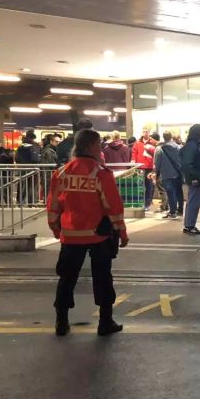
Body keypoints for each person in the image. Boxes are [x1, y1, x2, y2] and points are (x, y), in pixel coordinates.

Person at [47, 129, 129, 337]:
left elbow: (53, 206)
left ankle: (61, 321)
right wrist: (122, 231)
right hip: (98, 235)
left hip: (70, 235)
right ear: (92, 146)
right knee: (102, 278)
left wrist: (56, 229)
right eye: (99, 144)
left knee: (67, 278)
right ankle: (105, 321)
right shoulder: (100, 173)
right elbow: (113, 206)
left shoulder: (62, 173)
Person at [179, 124, 200, 235]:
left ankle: (189, 225)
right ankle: (190, 225)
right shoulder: (193, 146)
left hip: (194, 177)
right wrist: (195, 177)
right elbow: (188, 164)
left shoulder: (192, 144)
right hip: (195, 178)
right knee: (193, 202)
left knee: (193, 201)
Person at [153, 131, 183, 220]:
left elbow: (157, 163)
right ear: (171, 137)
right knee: (178, 191)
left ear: (163, 137)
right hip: (178, 173)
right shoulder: (178, 147)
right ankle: (180, 209)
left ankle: (172, 212)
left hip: (166, 174)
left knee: (171, 193)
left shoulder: (159, 149)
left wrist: (156, 171)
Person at [131, 127, 158, 211]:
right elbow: (134, 153)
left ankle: (147, 204)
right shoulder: (137, 143)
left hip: (149, 167)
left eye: (146, 132)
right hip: (140, 167)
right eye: (144, 131)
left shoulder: (153, 143)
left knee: (149, 186)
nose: (145, 133)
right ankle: (140, 203)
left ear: (149, 133)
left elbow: (156, 153)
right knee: (140, 186)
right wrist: (133, 163)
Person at [15, 132, 42, 205]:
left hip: (22, 169)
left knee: (22, 185)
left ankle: (20, 201)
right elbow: (35, 158)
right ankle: (32, 202)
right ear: (32, 138)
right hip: (33, 168)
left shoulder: (20, 146)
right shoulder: (34, 146)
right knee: (32, 186)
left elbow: (16, 158)